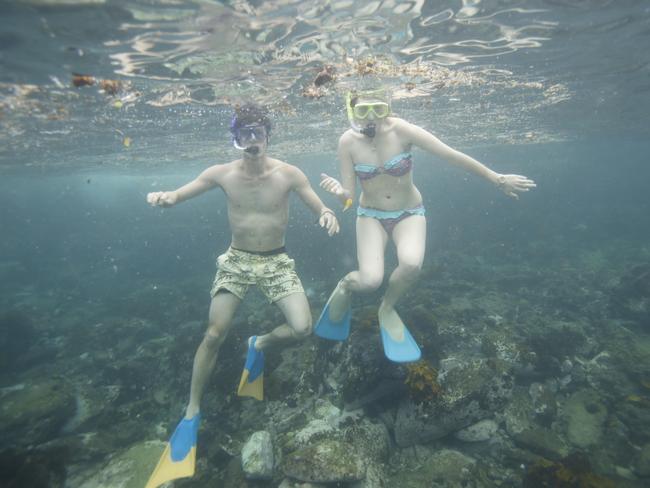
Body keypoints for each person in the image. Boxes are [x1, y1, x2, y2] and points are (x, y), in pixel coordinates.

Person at [144, 104, 339, 488]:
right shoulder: (221, 174)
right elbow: (182, 194)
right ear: (234, 139)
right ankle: (192, 411)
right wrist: (167, 197)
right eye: (244, 134)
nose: (252, 140)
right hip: (236, 261)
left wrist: (326, 212)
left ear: (268, 136)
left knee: (302, 328)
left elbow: (316, 201)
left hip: (276, 262)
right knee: (214, 333)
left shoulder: (289, 173)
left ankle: (260, 343)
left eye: (258, 133)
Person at [316, 88, 536, 363]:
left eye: (379, 108)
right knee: (370, 280)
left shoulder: (403, 131)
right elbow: (348, 198)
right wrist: (340, 194)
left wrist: (497, 178)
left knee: (411, 265)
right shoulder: (347, 141)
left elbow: (450, 155)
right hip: (370, 215)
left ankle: (387, 308)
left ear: (389, 107)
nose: (372, 117)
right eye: (363, 111)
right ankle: (346, 286)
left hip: (409, 213)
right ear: (351, 111)